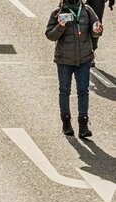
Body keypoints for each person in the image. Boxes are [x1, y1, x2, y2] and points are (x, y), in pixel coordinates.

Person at [46, 0, 103, 138]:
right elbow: (50, 35)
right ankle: (66, 122)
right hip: (64, 59)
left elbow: (96, 31)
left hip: (84, 59)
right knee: (64, 91)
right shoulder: (57, 13)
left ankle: (83, 124)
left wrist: (97, 30)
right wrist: (60, 26)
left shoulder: (87, 11)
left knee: (83, 91)